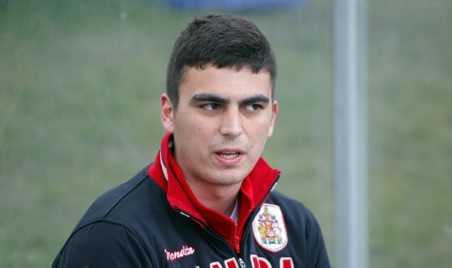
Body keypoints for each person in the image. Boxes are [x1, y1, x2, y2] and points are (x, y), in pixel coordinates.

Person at [52, 13, 330, 267]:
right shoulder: (114, 237)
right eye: (211, 106)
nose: (233, 128)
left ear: (272, 118)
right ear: (168, 112)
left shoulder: (297, 227)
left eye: (252, 107)